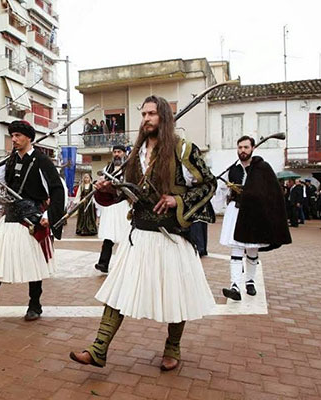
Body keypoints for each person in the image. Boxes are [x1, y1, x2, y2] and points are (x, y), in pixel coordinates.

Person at [69, 95, 216, 371]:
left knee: (176, 293)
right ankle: (98, 349)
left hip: (171, 235)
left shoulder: (183, 149)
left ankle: (172, 348)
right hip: (139, 235)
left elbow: (208, 184)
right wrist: (108, 190)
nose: (146, 119)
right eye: (144, 114)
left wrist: (177, 200)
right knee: (118, 290)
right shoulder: (135, 153)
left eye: (152, 114)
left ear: (164, 117)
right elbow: (129, 192)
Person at [0, 120, 65, 321]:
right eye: (12, 136)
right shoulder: (10, 160)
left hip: (32, 220)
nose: (14, 139)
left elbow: (57, 189)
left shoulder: (42, 161)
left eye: (18, 136)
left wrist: (49, 216)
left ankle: (35, 305)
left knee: (34, 263)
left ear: (29, 138)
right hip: (10, 218)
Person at [220, 136, 292, 301]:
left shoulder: (262, 168)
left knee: (252, 249)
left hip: (254, 214)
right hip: (236, 212)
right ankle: (235, 286)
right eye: (240, 147)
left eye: (246, 147)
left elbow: (271, 192)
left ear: (252, 148)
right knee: (236, 248)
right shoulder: (233, 170)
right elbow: (224, 192)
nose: (242, 150)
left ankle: (250, 282)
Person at [94, 145, 131, 273]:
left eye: (119, 152)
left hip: (124, 205)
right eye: (114, 152)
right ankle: (103, 263)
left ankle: (125, 264)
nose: (116, 154)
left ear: (124, 153)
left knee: (126, 235)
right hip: (111, 207)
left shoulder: (129, 168)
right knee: (109, 235)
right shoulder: (107, 169)